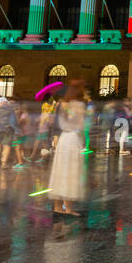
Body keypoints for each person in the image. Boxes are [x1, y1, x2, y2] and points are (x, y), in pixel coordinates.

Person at [48, 81, 88, 216]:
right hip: (73, 139)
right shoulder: (79, 106)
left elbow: (56, 123)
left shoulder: (60, 105)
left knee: (60, 171)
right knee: (71, 173)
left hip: (63, 139)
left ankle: (57, 206)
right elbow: (81, 125)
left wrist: (55, 136)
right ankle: (69, 208)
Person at [0, 96, 18, 168]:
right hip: (8, 128)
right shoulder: (11, 107)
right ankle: (3, 163)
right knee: (6, 146)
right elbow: (15, 117)